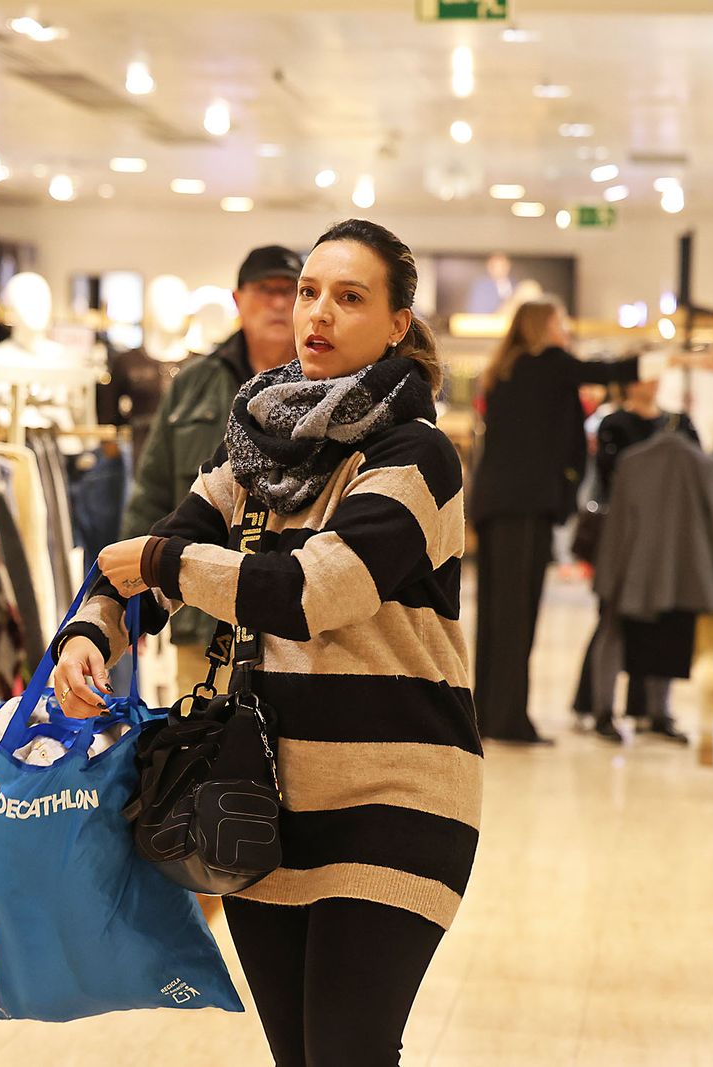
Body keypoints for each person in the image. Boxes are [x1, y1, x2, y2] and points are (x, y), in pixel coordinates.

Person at [53, 220, 480, 1065]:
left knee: (346, 1050)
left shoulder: (417, 455)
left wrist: (165, 561)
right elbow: (152, 556)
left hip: (394, 800)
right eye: (311, 291)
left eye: (349, 298)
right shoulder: (256, 446)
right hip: (261, 804)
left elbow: (312, 590)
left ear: (398, 324)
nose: (316, 313)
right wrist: (90, 630)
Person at [470, 301, 692, 745]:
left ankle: (488, 712)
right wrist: (668, 358)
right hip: (527, 505)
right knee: (519, 614)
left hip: (495, 505)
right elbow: (605, 370)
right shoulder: (547, 363)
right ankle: (510, 719)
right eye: (560, 323)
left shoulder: (503, 373)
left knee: (496, 617)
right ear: (543, 327)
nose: (566, 331)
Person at [119, 244, 303, 696]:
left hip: (295, 626)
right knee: (200, 752)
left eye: (290, 291)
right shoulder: (194, 384)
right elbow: (153, 492)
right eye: (266, 290)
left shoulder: (326, 387)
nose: (279, 303)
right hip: (202, 618)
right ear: (239, 299)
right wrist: (126, 598)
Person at [577, 380, 698, 743]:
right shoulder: (615, 425)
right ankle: (602, 710)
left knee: (667, 621)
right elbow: (609, 477)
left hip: (670, 538)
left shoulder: (681, 424)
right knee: (614, 620)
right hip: (624, 535)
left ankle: (656, 711)